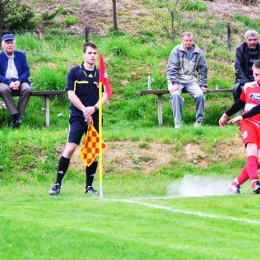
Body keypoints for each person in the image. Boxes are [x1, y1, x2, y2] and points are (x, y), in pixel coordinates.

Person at [49, 42, 108, 196]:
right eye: (90, 53)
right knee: (70, 148)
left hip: (95, 115)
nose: (93, 56)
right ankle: (57, 184)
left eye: (95, 53)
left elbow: (105, 95)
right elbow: (71, 94)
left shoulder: (100, 73)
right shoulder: (75, 72)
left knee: (94, 151)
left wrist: (93, 109)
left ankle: (89, 187)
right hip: (78, 115)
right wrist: (84, 111)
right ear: (83, 54)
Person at [219, 59, 260, 195]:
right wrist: (226, 114)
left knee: (258, 160)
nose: (258, 78)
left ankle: (234, 184)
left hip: (252, 121)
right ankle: (255, 182)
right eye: (256, 75)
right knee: (252, 151)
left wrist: (242, 116)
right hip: (249, 123)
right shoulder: (248, 86)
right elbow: (240, 103)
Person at [167, 32, 207, 129]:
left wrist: (203, 85)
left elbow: (203, 69)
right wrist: (175, 83)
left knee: (200, 95)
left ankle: (199, 121)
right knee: (176, 95)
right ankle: (177, 123)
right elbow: (172, 69)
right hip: (177, 79)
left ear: (193, 41)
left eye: (190, 40)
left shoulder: (198, 52)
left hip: (191, 80)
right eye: (186, 40)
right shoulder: (175, 51)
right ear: (182, 41)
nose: (188, 42)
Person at [0, 34, 31, 127]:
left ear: (14, 44)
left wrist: (19, 81)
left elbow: (26, 70)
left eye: (11, 43)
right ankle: (16, 116)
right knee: (3, 90)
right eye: (7, 43)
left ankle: (18, 116)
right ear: (2, 45)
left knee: (27, 89)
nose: (9, 45)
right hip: (4, 82)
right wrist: (9, 82)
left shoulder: (21, 55)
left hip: (19, 80)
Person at [233, 30, 260, 102]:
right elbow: (238, 67)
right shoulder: (240, 49)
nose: (252, 42)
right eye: (250, 40)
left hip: (258, 77)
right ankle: (243, 110)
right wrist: (245, 81)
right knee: (241, 89)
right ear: (246, 40)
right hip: (245, 78)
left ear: (258, 40)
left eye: (254, 40)